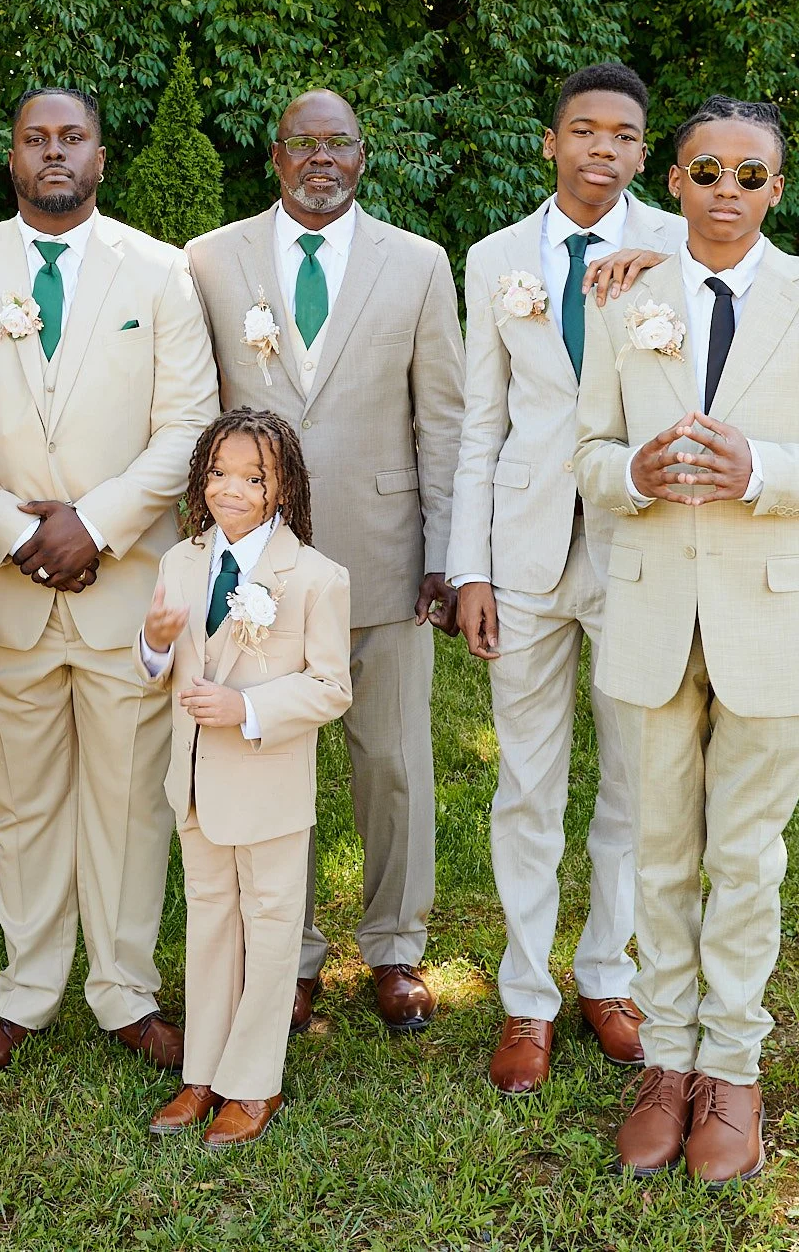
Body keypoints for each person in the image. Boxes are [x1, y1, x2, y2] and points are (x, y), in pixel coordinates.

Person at [575, 97, 799, 1183]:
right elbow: (586, 449)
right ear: (670, 182)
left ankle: (734, 1074)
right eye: (704, 170)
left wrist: (758, 470)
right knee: (657, 850)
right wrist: (628, 474)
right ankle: (665, 1065)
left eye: (746, 175)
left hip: (772, 614)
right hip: (653, 609)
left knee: (743, 858)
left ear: (775, 190)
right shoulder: (621, 294)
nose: (724, 190)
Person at [0, 86, 220, 1082]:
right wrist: (11, 531)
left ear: (99, 155)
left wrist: (99, 524)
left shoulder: (161, 272)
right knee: (24, 802)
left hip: (128, 588)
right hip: (7, 591)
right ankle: (25, 992)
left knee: (129, 799)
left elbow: (186, 426)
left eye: (70, 138)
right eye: (34, 138)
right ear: (12, 157)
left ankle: (124, 990)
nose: (52, 153)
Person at [184, 89, 465, 1034]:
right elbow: (199, 410)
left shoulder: (419, 266)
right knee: (271, 753)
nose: (320, 158)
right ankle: (290, 950)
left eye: (337, 142)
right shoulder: (212, 260)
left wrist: (446, 550)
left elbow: (445, 418)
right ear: (275, 157)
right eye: (302, 143)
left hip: (385, 555)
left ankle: (394, 945)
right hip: (259, 565)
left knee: (390, 760)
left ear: (362, 155)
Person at [450, 63, 683, 1093]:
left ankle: (606, 972)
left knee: (635, 780)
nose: (600, 148)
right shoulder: (495, 258)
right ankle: (524, 998)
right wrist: (470, 568)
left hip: (642, 545)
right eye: (581, 130)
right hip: (526, 548)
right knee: (525, 782)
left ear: (643, 155)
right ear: (548, 143)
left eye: (621, 135)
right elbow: (479, 425)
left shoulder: (684, 248)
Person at [140, 409, 351, 1148]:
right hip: (194, 784)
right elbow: (156, 668)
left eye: (252, 477)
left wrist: (248, 706)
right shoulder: (180, 562)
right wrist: (154, 646)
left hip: (267, 787)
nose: (231, 488)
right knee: (208, 924)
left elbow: (331, 688)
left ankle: (253, 1081)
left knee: (268, 932)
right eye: (218, 472)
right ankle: (202, 1070)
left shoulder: (315, 578)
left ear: (282, 486)